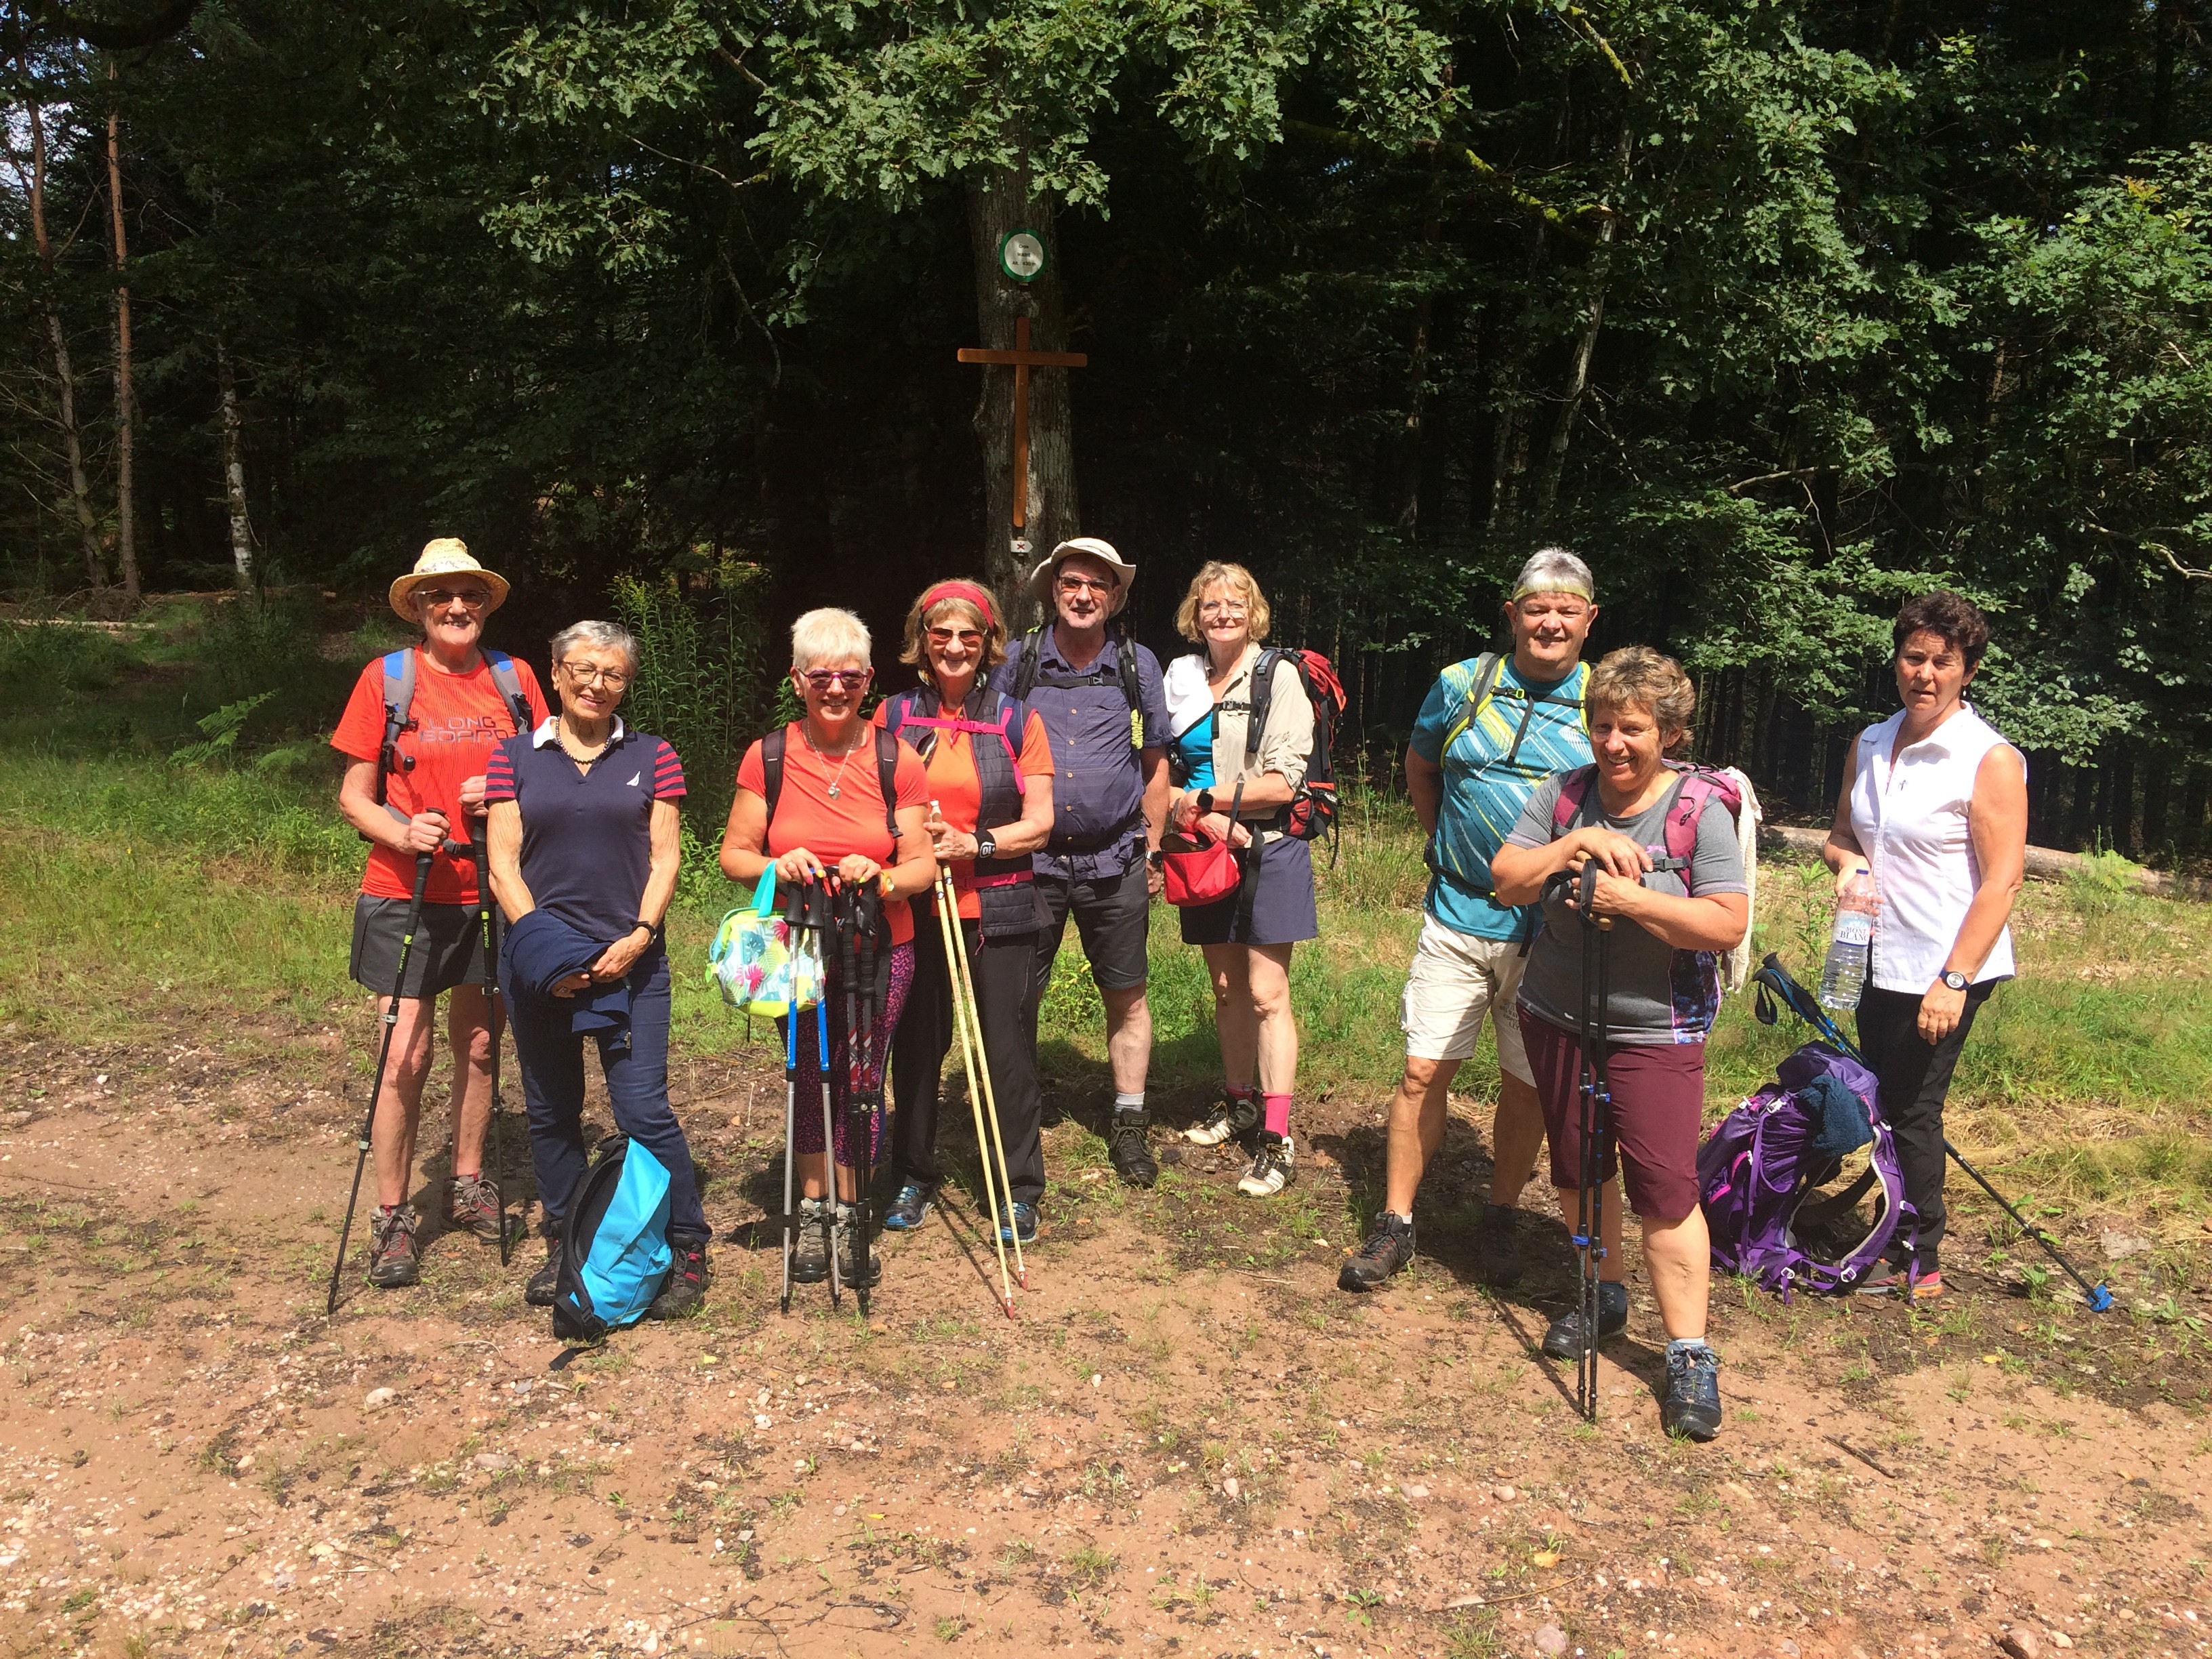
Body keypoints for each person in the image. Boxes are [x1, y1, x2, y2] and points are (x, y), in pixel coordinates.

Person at [1490, 647, 1748, 1441]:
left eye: (1633, 728)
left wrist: (1632, 901)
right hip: (1558, 1014)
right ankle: (1602, 1291)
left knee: (1666, 1190)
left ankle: (1687, 1352)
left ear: (1668, 731)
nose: (1614, 744)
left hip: (1655, 1030)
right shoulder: (1564, 795)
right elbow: (1507, 876)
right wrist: (1572, 850)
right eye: (1602, 725)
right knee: (1578, 1167)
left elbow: (1725, 922)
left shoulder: (1700, 808)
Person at [1339, 550, 1597, 1292]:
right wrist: (1441, 843)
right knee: (1423, 1072)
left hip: (1551, 934)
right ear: (1512, 614)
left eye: (1567, 609)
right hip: (1455, 913)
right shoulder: (1461, 685)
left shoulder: (1601, 699)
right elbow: (1421, 767)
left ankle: (1502, 1214)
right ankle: (1397, 1223)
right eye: (1537, 608)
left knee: (1528, 1085)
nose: (1551, 622)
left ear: (1589, 620)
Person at [331, 539, 550, 1290]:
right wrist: (401, 829)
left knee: (483, 1046)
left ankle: (466, 1182)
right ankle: (393, 1215)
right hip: (406, 891)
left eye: (470, 596)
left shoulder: (515, 680)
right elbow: (355, 794)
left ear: (485, 605)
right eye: (440, 597)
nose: (457, 608)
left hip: (492, 888)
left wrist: (505, 799)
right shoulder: (387, 680)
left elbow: (548, 773)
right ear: (419, 608)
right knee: (406, 1056)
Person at [483, 620, 708, 1319]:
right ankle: (568, 1238)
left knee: (643, 1108)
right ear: (554, 672)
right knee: (551, 1112)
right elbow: (503, 864)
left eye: (611, 673)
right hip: (541, 967)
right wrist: (551, 953)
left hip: (632, 962)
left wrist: (640, 936)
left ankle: (686, 1241)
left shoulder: (655, 755)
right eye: (581, 669)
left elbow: (665, 856)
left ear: (626, 683)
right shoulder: (513, 757)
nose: (595, 683)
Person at [720, 609, 939, 1288]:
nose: (836, 688)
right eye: (821, 676)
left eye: (849, 676)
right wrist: (774, 865)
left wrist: (883, 876)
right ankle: (812, 1209)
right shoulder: (771, 756)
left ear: (870, 680)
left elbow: (922, 867)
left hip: (884, 942)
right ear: (797, 681)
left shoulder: (894, 757)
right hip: (797, 946)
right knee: (811, 1075)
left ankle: (853, 1212)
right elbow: (734, 854)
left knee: (861, 1082)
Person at [1822, 590, 2026, 1300]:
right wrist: (1848, 866)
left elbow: (2002, 881)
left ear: (1967, 671)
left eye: (1944, 662)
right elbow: (1843, 834)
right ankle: (1889, 1221)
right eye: (1915, 658)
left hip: (1946, 964)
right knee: (1882, 1098)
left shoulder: (1986, 757)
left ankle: (1920, 1255)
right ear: (1897, 660)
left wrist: (1956, 979)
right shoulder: (1872, 743)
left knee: (1911, 1106)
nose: (1926, 674)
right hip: (1872, 952)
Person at [878, 581, 1058, 1243]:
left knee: (1007, 1048)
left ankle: (1018, 1187)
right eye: (941, 634)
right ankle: (914, 1173)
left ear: (988, 644)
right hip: (916, 903)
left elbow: (1040, 823)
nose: (955, 647)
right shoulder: (894, 716)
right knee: (919, 1042)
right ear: (922, 641)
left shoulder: (1017, 720)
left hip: (1000, 905)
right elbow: (875, 805)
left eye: (969, 636)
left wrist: (974, 843)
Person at [990, 537, 1172, 1189]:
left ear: (1116, 597)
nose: (1084, 594)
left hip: (1116, 857)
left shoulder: (1136, 662)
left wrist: (1155, 849)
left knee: (1126, 995)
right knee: (1017, 996)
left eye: (1098, 585)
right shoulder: (1019, 661)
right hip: (1029, 862)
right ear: (1053, 591)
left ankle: (1128, 1121)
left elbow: (1156, 762)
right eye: (1072, 582)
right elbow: (989, 743)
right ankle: (1017, 1120)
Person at [1161, 562, 1316, 1199]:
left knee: (1265, 994)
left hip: (1269, 849)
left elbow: (1284, 781)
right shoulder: (1181, 679)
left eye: (1234, 603)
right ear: (1194, 614)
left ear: (1253, 611)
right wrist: (1199, 813)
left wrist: (1205, 802)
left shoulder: (1279, 676)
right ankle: (1237, 1103)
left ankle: (1277, 1141)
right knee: (1226, 989)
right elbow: (1156, 777)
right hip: (1204, 849)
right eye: (1209, 604)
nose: (1222, 613)